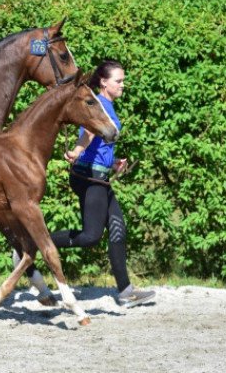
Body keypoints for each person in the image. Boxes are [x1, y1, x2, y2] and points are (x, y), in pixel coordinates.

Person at [51, 59, 155, 308]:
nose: (123, 85)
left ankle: (126, 291)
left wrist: (113, 162)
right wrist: (77, 150)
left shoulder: (108, 105)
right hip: (88, 177)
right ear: (103, 82)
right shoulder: (97, 104)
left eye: (123, 80)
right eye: (119, 80)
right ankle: (36, 241)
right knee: (90, 236)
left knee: (118, 229)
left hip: (100, 176)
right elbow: (87, 133)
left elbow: (101, 143)